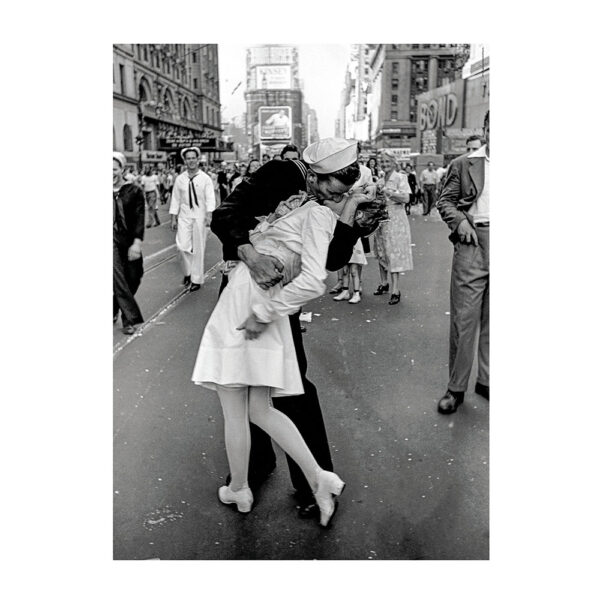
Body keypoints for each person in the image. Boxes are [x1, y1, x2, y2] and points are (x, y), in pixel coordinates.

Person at [209, 138, 377, 519]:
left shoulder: (335, 200)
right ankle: (254, 468)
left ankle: (310, 481)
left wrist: (351, 220)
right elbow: (224, 215)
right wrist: (251, 255)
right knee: (247, 385)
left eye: (344, 192)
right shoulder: (282, 174)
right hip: (246, 287)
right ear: (316, 175)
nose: (335, 197)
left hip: (280, 299)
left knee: (289, 386)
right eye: (333, 189)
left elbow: (332, 260)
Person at [436, 111, 490, 415]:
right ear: (485, 129)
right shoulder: (463, 164)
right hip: (473, 242)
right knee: (464, 319)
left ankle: (487, 381)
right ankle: (455, 389)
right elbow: (445, 201)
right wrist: (460, 222)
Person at [169, 147, 216, 292]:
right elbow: (175, 199)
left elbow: (210, 198)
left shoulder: (205, 178)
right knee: (182, 247)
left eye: (193, 158)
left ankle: (196, 279)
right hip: (184, 216)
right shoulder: (180, 179)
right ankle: (188, 272)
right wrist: (173, 218)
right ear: (185, 160)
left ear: (198, 159)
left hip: (200, 217)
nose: (191, 161)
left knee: (199, 248)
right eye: (188, 158)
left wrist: (209, 215)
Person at [332, 160, 376, 304]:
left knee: (355, 267)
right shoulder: (338, 171)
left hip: (355, 224)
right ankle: (344, 288)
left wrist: (363, 193)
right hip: (341, 220)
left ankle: (357, 289)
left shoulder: (365, 172)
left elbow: (370, 195)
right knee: (344, 265)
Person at [372, 151, 413, 305]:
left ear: (394, 162)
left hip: (396, 220)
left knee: (394, 253)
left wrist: (387, 192)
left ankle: (395, 290)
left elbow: (406, 198)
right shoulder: (380, 180)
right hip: (381, 220)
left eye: (387, 161)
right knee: (381, 251)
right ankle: (384, 283)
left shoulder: (401, 177)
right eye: (382, 162)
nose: (385, 164)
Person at [113, 152, 145, 335]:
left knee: (134, 276)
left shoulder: (133, 191)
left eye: (114, 169)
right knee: (118, 277)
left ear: (122, 170)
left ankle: (113, 306)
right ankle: (129, 319)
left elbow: (139, 217)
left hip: (128, 239)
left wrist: (137, 242)